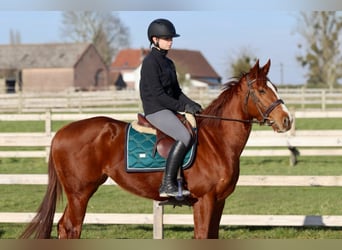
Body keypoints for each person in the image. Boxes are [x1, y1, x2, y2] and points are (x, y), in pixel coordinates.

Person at [139, 18, 203, 197]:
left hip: (168, 108)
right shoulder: (150, 62)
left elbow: (176, 91)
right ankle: (167, 184)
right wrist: (182, 106)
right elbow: (159, 95)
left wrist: (192, 104)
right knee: (184, 136)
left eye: (171, 38)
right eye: (166, 38)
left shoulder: (169, 63)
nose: (170, 41)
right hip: (155, 110)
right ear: (154, 40)